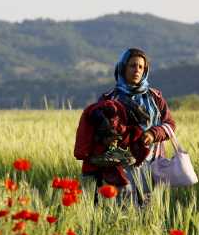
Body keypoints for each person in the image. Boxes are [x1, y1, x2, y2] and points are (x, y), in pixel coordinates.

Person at [74, 48, 175, 205]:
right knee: (124, 209)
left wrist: (153, 134)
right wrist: (107, 138)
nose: (137, 70)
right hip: (120, 165)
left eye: (141, 67)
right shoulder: (109, 98)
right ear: (123, 67)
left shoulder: (155, 97)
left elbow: (169, 124)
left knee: (148, 211)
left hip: (151, 164)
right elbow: (93, 129)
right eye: (132, 66)